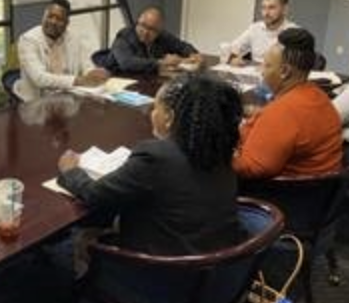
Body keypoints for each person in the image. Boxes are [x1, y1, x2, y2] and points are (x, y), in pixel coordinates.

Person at [57, 73, 246, 256]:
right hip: (218, 266)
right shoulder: (219, 150)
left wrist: (72, 171)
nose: (151, 113)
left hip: (158, 274)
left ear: (169, 117)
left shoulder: (156, 157)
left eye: (156, 107)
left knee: (72, 241)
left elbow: (94, 195)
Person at [233, 28, 342, 179]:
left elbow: (252, 168)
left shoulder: (282, 112)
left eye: (266, 65)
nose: (262, 72)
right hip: (316, 194)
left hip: (279, 196)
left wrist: (217, 157)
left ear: (284, 71)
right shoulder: (320, 97)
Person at [14, 0, 109, 102]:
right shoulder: (28, 40)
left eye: (59, 19)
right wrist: (79, 80)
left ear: (67, 23)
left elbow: (86, 64)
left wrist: (94, 74)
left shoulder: (74, 38)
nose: (53, 22)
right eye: (50, 16)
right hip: (37, 105)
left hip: (69, 101)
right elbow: (39, 79)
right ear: (43, 16)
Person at [104, 6, 201, 74]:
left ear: (159, 30)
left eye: (152, 29)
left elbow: (182, 46)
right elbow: (128, 63)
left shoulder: (162, 36)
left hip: (147, 79)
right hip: (119, 80)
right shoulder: (124, 36)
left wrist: (194, 55)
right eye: (143, 25)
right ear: (137, 22)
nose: (145, 32)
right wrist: (161, 62)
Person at [228, 0, 298, 65]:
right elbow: (232, 49)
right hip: (254, 74)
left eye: (271, 8)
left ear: (284, 9)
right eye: (263, 8)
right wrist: (233, 59)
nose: (266, 13)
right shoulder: (255, 28)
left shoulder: (295, 33)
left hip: (279, 75)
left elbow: (299, 67)